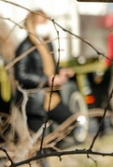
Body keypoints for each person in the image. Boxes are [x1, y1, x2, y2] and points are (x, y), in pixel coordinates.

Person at [14, 10, 80, 140]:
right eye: (41, 23)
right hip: (36, 100)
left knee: (71, 121)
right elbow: (21, 75)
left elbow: (50, 66)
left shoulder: (47, 43)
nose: (44, 26)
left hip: (52, 98)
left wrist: (61, 70)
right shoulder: (25, 46)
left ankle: (56, 145)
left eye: (45, 22)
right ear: (32, 24)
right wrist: (46, 80)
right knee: (39, 141)